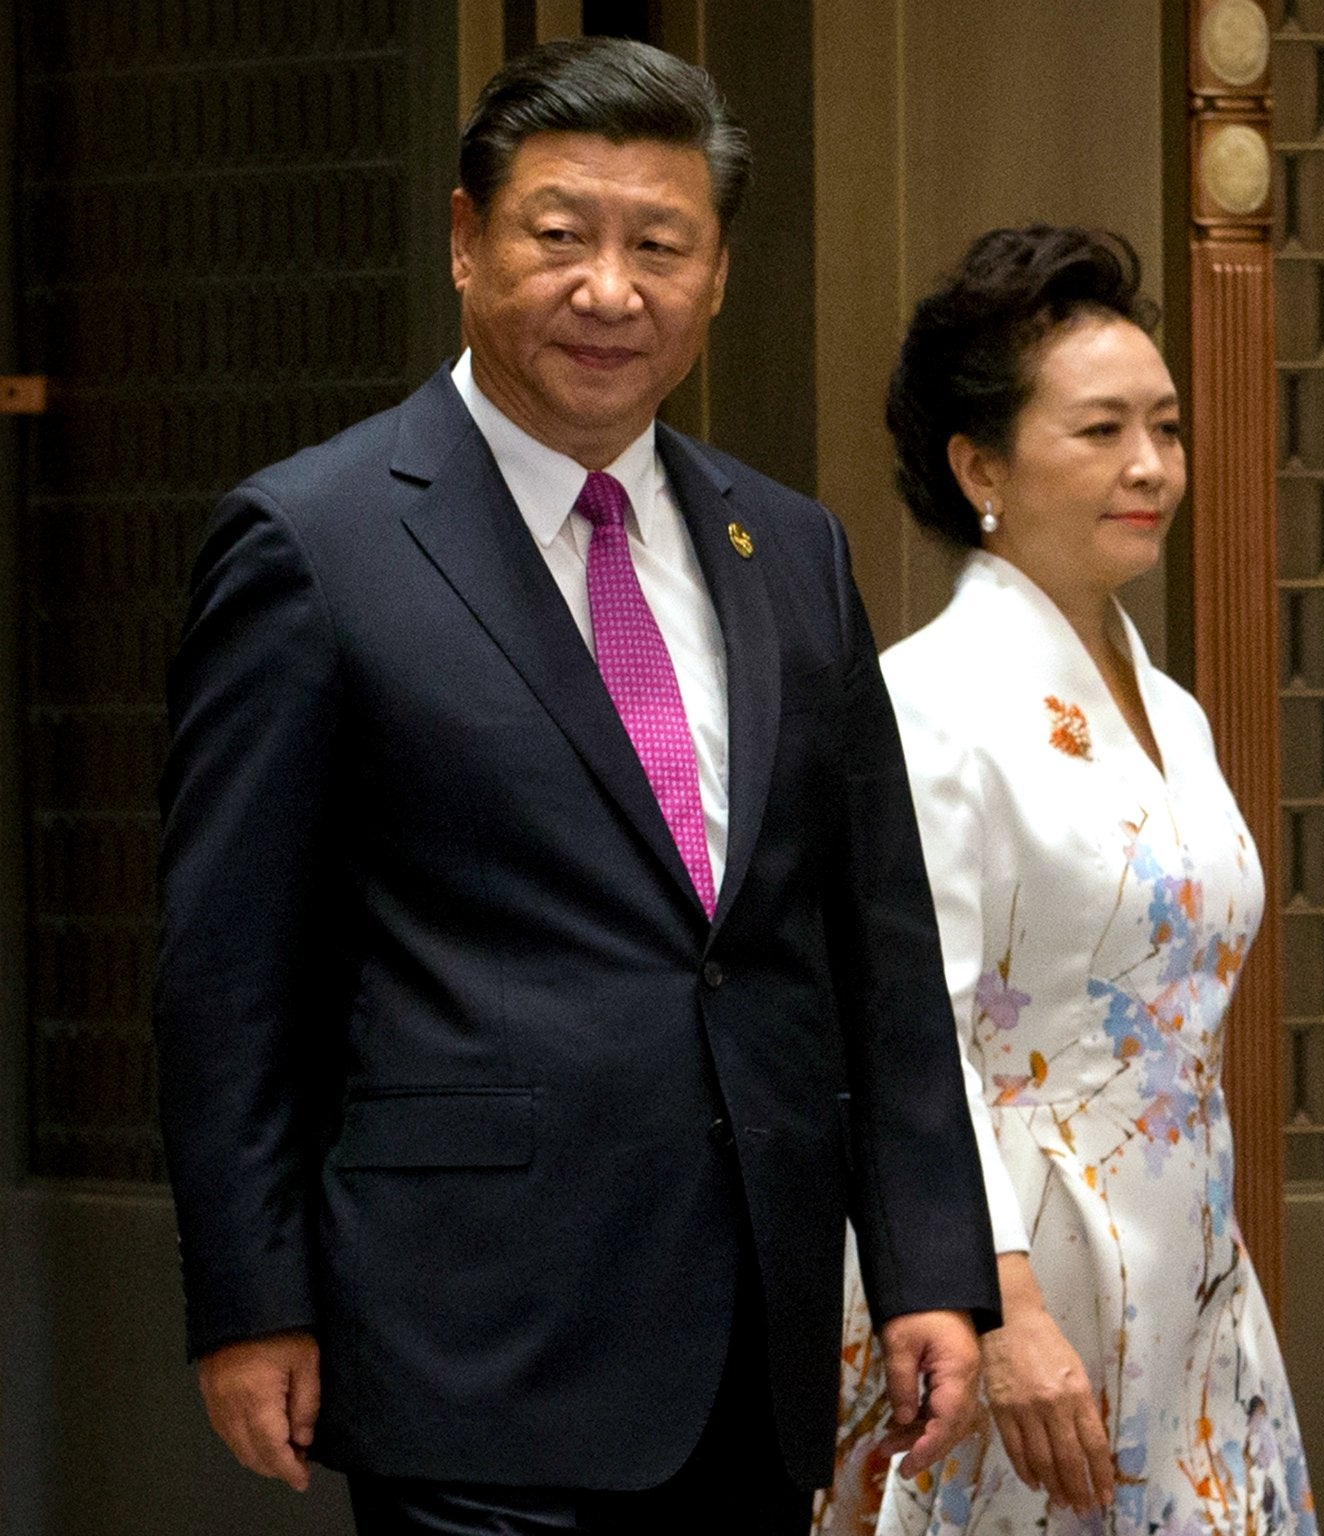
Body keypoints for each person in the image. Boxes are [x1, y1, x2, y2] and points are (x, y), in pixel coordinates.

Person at [153, 39, 998, 1536]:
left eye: (659, 246)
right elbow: (230, 977)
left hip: (753, 1339)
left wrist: (931, 1262)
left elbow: (875, 942)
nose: (611, 290)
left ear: (718, 275)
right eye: (561, 236)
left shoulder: (788, 548)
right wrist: (248, 1297)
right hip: (472, 1336)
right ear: (467, 240)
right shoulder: (315, 541)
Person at [816, 227, 1317, 1535]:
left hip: (1189, 1254)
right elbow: (909, 1031)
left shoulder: (1171, 707)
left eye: (1163, 427)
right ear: (979, 464)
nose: (1150, 466)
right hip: (1011, 1271)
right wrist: (1008, 1306)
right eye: (1100, 432)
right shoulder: (928, 705)